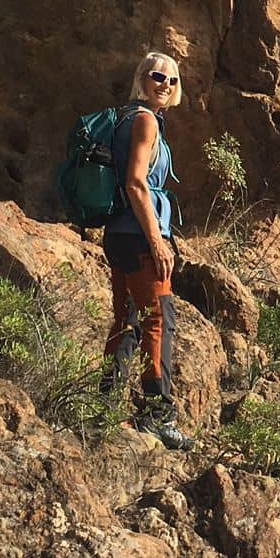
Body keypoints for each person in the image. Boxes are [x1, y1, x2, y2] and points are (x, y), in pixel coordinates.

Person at [102, 51, 194, 449]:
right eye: (158, 76)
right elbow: (137, 182)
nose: (166, 84)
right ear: (142, 77)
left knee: (127, 320)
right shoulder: (144, 121)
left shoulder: (124, 119)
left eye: (172, 80)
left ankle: (102, 404)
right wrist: (157, 240)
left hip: (119, 234)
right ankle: (157, 415)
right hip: (140, 236)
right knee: (159, 318)